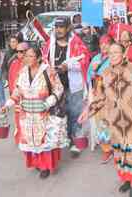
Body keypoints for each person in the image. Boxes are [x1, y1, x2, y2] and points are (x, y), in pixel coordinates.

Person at [78, 43, 132, 197]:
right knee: (119, 154)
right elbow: (99, 97)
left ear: (124, 54)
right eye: (110, 53)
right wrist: (87, 111)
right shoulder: (105, 74)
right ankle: (125, 179)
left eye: (116, 52)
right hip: (115, 122)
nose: (112, 55)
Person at [2, 47, 68, 179]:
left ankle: (45, 167)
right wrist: (8, 104)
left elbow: (59, 88)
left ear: (38, 58)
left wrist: (48, 102)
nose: (27, 58)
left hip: (44, 114)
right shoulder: (22, 72)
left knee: (44, 140)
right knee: (30, 141)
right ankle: (37, 163)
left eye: (31, 56)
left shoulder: (48, 71)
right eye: (26, 56)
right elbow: (17, 91)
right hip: (26, 115)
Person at [42, 16, 91, 156]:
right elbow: (44, 60)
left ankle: (75, 141)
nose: (58, 30)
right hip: (55, 87)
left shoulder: (76, 42)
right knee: (58, 114)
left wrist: (67, 66)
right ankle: (64, 138)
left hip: (73, 86)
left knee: (75, 113)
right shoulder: (49, 43)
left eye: (61, 27)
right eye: (56, 27)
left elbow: (84, 59)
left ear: (68, 27)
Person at [86, 35, 113, 163]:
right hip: (98, 93)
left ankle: (117, 146)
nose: (103, 46)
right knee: (101, 121)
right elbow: (89, 76)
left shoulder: (115, 57)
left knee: (114, 120)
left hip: (112, 94)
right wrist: (94, 72)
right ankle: (106, 149)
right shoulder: (96, 58)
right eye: (101, 44)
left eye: (106, 43)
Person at [8, 42, 29, 144]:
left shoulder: (33, 64)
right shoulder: (14, 63)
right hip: (17, 98)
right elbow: (11, 79)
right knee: (18, 118)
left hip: (30, 100)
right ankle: (21, 139)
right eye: (17, 52)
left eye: (21, 51)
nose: (18, 54)